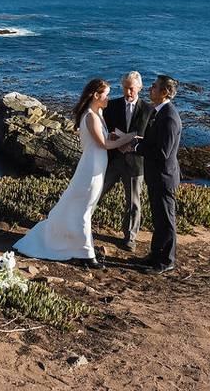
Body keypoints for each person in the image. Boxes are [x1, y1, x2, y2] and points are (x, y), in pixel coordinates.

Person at [13, 78, 137, 269]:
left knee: (82, 207)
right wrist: (128, 137)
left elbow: (103, 139)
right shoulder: (89, 116)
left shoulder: (98, 113)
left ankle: (75, 245)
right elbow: (104, 144)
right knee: (85, 209)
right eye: (106, 94)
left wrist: (114, 137)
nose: (108, 98)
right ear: (96, 95)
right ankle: (87, 253)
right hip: (91, 167)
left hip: (97, 166)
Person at [131, 74, 182, 274]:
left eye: (154, 86)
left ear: (164, 92)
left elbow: (163, 152)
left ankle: (167, 260)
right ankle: (156, 254)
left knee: (166, 219)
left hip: (164, 177)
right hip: (156, 176)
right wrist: (139, 141)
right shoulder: (159, 112)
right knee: (158, 218)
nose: (149, 89)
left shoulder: (169, 117)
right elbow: (154, 142)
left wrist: (136, 147)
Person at [98, 71, 150, 252]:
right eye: (125, 88)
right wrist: (115, 142)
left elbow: (149, 138)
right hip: (113, 160)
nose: (128, 92)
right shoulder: (111, 106)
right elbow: (104, 129)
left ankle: (130, 237)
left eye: (132, 89)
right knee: (97, 193)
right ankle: (82, 226)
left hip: (136, 164)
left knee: (134, 202)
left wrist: (133, 144)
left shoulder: (148, 110)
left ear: (140, 88)